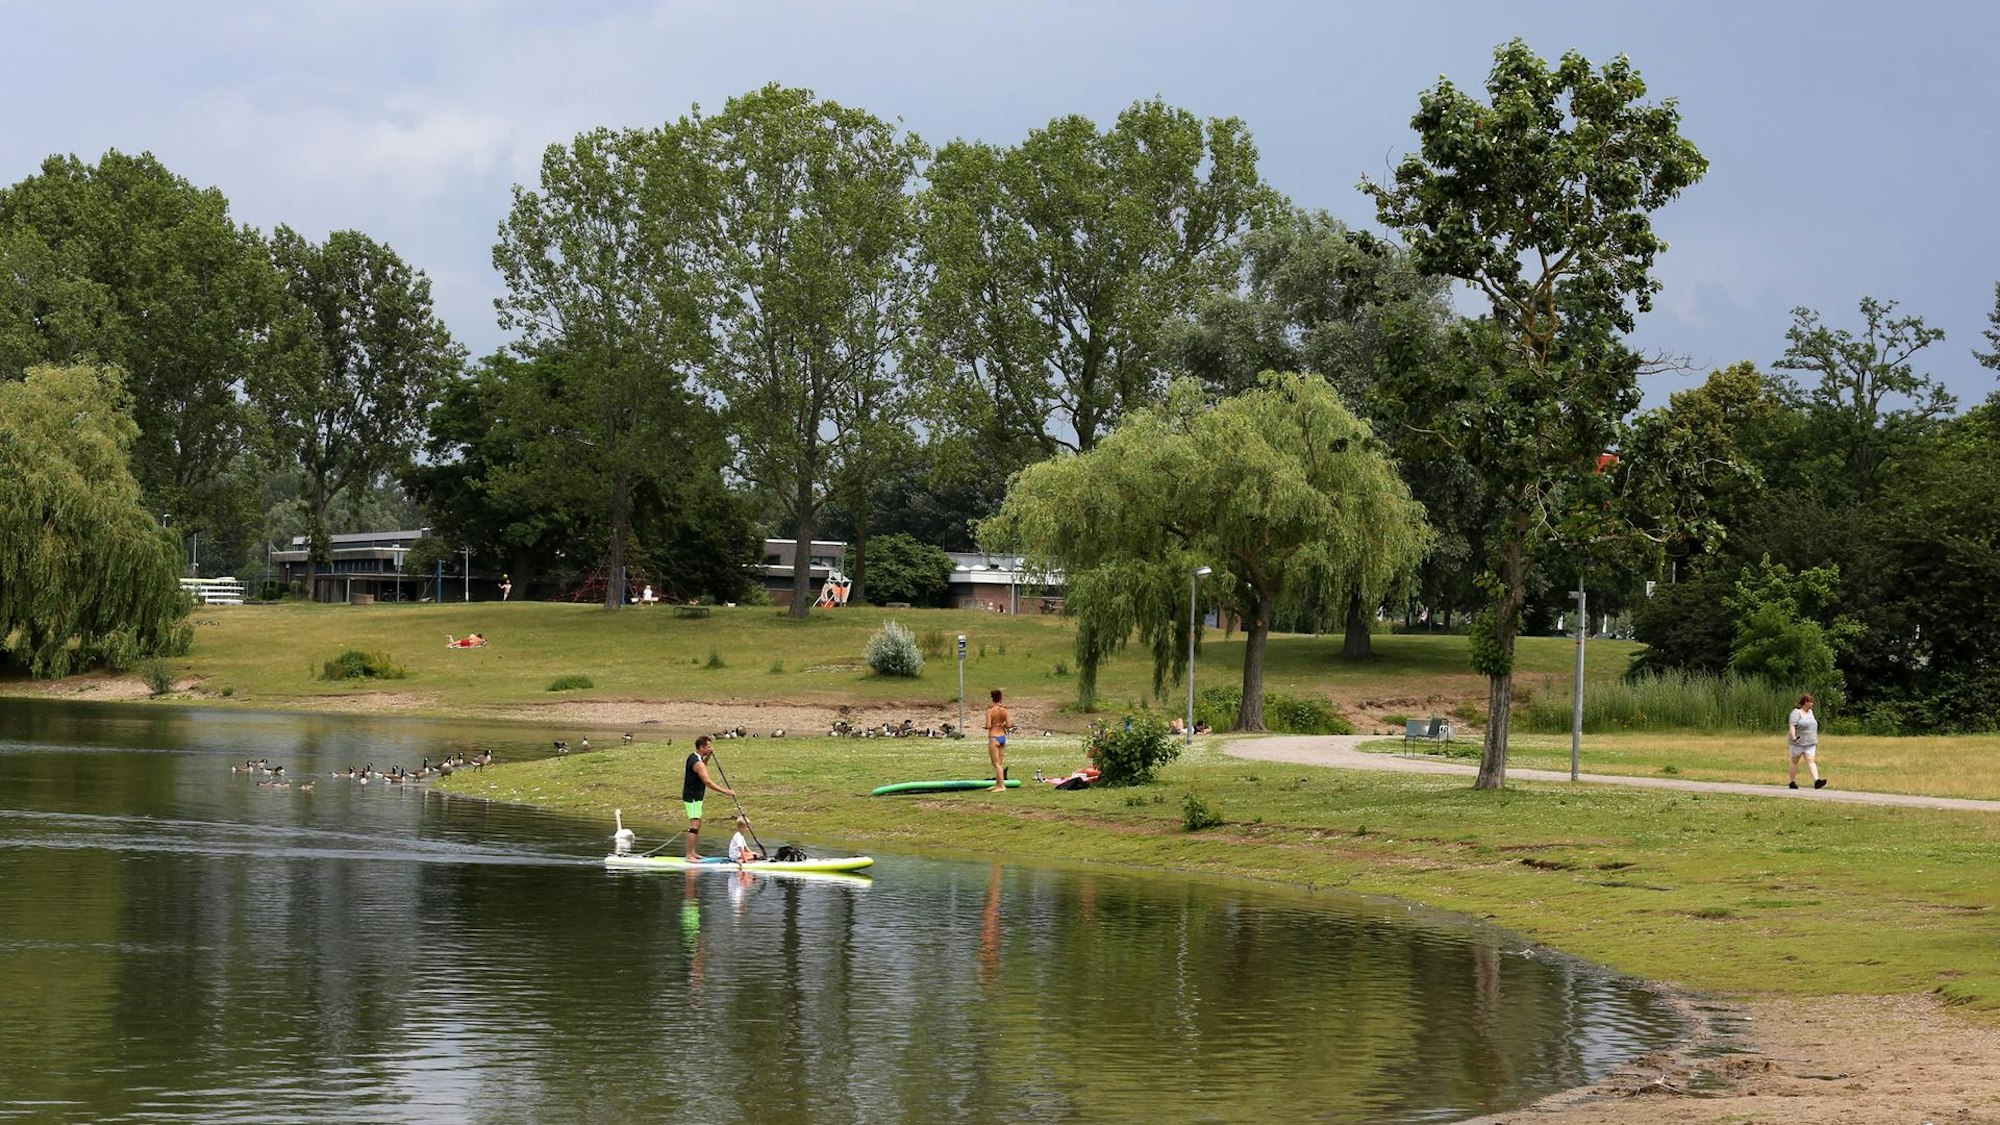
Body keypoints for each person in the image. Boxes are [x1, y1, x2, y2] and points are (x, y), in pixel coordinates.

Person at [682, 735, 736, 860]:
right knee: (694, 825)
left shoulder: (696, 757)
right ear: (702, 747)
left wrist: (709, 756)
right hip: (693, 797)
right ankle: (689, 855)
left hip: (696, 796)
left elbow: (703, 767)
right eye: (708, 747)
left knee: (698, 823)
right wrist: (726, 791)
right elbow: (708, 782)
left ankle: (693, 852)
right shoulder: (697, 762)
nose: (711, 748)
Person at [1787, 693, 1826, 790]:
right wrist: (1793, 736)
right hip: (1798, 742)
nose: (1812, 704)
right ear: (1805, 702)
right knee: (1794, 762)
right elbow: (1792, 725)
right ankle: (1792, 782)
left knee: (1811, 761)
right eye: (1810, 702)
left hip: (1810, 742)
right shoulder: (1796, 713)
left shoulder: (1811, 712)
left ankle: (1817, 781)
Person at [984, 689, 1012, 792]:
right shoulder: (1005, 711)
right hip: (1002, 737)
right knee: (1000, 762)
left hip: (994, 737)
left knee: (995, 763)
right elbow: (1009, 725)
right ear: (1001, 698)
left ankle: (1002, 786)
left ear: (992, 698)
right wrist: (1002, 724)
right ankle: (998, 784)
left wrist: (988, 726)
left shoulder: (990, 711)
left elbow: (988, 725)